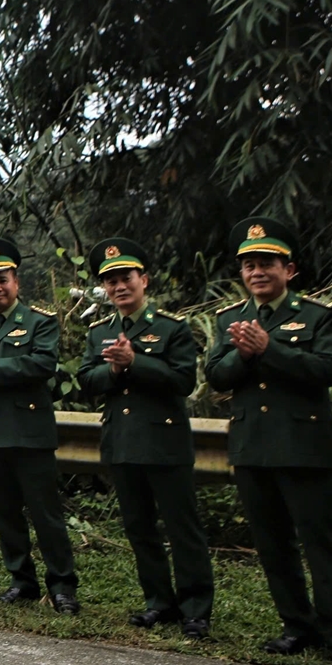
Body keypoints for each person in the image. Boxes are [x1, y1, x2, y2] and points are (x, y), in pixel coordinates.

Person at [204, 218, 332, 665]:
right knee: (273, 542)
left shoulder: (318, 316)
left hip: (303, 446)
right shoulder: (229, 319)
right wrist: (244, 355)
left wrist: (271, 350)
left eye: (267, 263)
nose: (257, 272)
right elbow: (215, 377)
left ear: (290, 270)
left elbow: (330, 370)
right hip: (252, 446)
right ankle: (295, 625)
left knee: (321, 543)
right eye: (248, 265)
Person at [77, 238, 211, 638]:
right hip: (123, 442)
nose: (119, 287)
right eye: (111, 281)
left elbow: (184, 381)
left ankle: (196, 610)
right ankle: (158, 602)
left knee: (182, 528)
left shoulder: (171, 328)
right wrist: (115, 372)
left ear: (144, 280)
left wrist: (138, 362)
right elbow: (87, 381)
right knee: (139, 528)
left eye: (126, 278)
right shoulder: (100, 331)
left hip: (164, 443)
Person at [0, 238, 78, 614]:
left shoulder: (39, 322)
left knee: (46, 514)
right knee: (5, 513)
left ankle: (63, 586)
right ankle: (21, 580)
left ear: (16, 282)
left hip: (29, 432)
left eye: (2, 279)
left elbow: (44, 364)